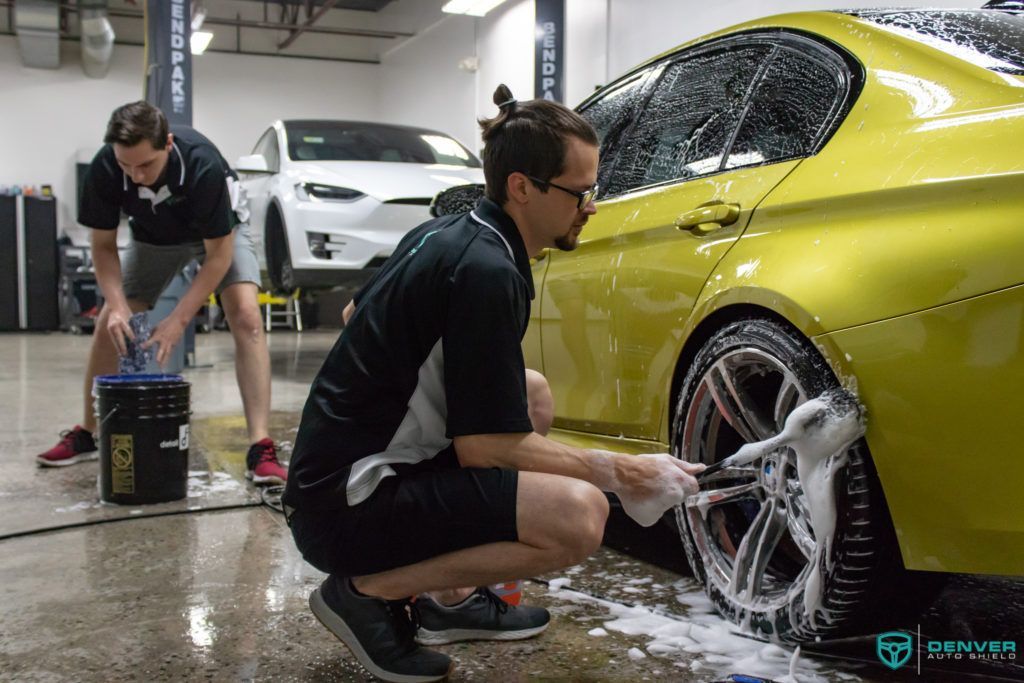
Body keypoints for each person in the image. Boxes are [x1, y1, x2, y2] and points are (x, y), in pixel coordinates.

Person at [282, 84, 703, 683]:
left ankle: (446, 598)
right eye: (580, 192)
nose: (591, 206)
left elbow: (357, 318)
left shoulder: (450, 232)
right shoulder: (486, 270)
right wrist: (626, 472)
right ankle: (367, 592)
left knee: (529, 392)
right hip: (346, 508)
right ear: (522, 187)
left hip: (335, 480)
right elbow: (487, 448)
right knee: (579, 514)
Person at [36, 101, 287, 485]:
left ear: (167, 144)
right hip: (155, 239)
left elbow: (218, 256)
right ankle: (87, 432)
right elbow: (103, 246)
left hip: (220, 236)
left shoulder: (201, 165)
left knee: (247, 316)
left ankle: (260, 447)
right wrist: (118, 305)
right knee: (109, 322)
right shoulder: (106, 167)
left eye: (146, 165)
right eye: (126, 166)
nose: (136, 177)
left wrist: (178, 320)